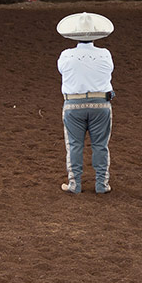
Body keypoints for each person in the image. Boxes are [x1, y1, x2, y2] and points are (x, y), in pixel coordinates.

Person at [56, 12, 115, 195]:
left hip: (73, 105)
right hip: (101, 104)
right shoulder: (105, 54)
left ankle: (75, 184)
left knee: (74, 145)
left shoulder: (66, 55)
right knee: (100, 145)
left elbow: (62, 71)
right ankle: (101, 184)